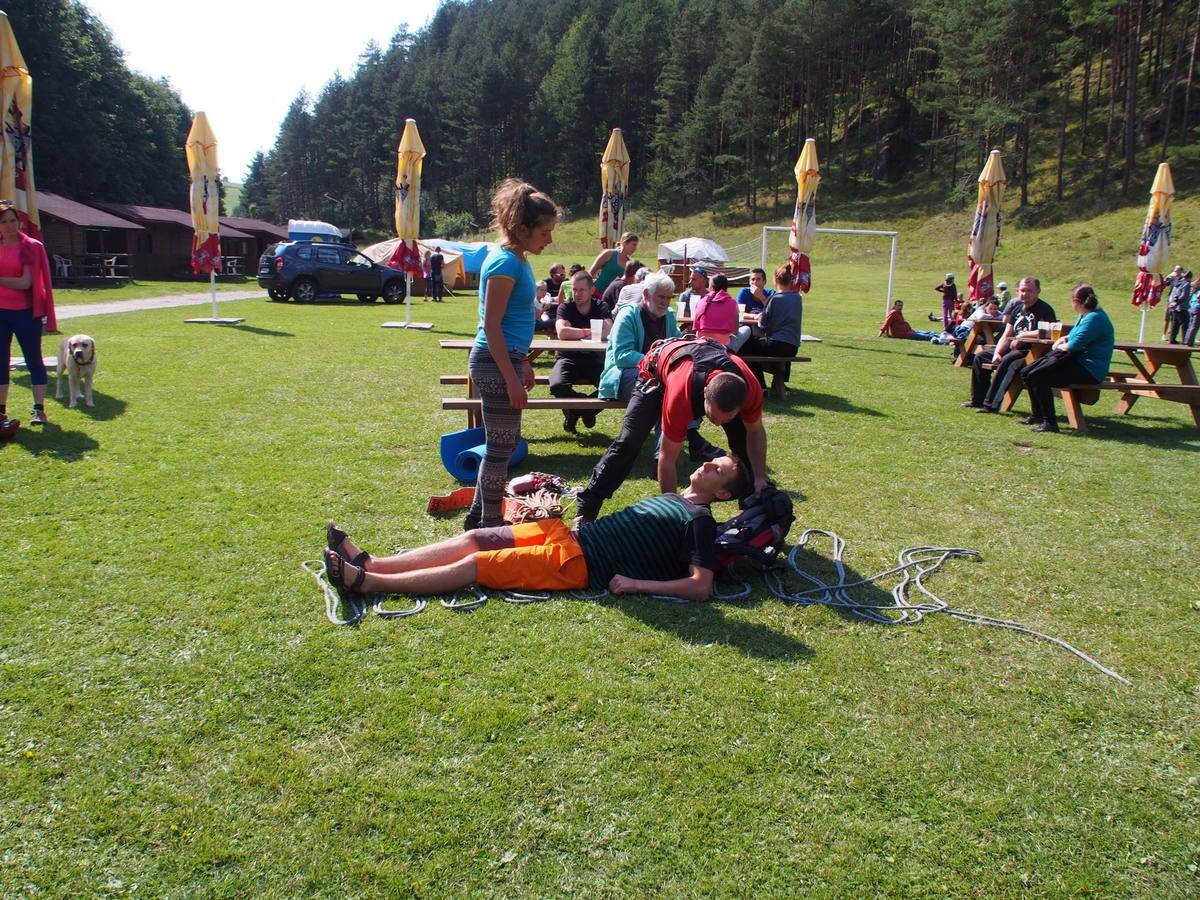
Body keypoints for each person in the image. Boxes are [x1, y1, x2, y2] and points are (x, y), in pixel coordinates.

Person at [324, 455, 747, 601]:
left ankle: (368, 583)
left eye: (719, 469)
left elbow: (701, 586)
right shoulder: (674, 496)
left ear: (723, 494)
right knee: (476, 538)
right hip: (567, 535)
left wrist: (636, 585)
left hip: (579, 563)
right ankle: (373, 563)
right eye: (714, 460)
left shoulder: (699, 521)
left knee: (476, 565)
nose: (709, 463)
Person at [574, 335, 770, 525]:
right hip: (656, 377)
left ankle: (755, 511)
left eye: (725, 418)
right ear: (704, 396)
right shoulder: (680, 396)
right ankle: (587, 509)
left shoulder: (750, 388)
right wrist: (674, 514)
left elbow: (755, 432)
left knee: (742, 443)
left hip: (702, 370)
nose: (717, 424)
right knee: (629, 442)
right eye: (713, 417)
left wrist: (760, 476)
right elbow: (667, 459)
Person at [464, 179, 559, 531]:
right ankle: (490, 525)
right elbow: (491, 327)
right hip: (493, 362)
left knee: (501, 445)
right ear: (522, 229)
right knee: (501, 447)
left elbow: (510, 324)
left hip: (505, 359)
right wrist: (511, 380)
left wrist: (523, 363)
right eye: (544, 232)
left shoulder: (517, 259)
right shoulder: (505, 264)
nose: (549, 240)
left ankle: (478, 517)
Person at [1022, 284, 1115, 433]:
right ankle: (1037, 415)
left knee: (1038, 376)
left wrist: (1059, 345)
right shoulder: (1085, 315)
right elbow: (1074, 335)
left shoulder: (1095, 318)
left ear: (1076, 301)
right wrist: (1063, 339)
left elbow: (1074, 345)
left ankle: (1049, 423)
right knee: (1027, 372)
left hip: (1090, 370)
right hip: (1077, 363)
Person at [0, 200, 56, 429]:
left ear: (19, 222)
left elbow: (25, 282)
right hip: (1, 312)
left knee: (34, 360)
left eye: (13, 220)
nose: (9, 226)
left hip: (25, 312)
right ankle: (1, 411)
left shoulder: (31, 246)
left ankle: (38, 409)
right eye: (4, 222)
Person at [965, 276, 1055, 414]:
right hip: (1012, 348)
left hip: (1031, 351)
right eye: (1022, 290)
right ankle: (978, 399)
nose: (1025, 294)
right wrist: (997, 353)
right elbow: (1007, 334)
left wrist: (1023, 336)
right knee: (980, 357)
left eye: (1029, 290)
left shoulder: (1044, 309)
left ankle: (991, 404)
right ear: (1017, 291)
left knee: (1008, 361)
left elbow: (1047, 332)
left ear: (1038, 291)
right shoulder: (1017, 308)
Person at [599, 270, 681, 402]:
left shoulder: (668, 317)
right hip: (622, 375)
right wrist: (656, 360)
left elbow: (678, 344)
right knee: (653, 385)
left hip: (657, 373)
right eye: (661, 297)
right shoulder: (628, 315)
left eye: (669, 298)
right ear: (646, 294)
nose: (665, 303)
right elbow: (622, 356)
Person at [552, 270, 612, 433]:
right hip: (567, 357)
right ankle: (584, 408)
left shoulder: (601, 306)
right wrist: (589, 331)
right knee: (557, 385)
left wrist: (575, 331)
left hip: (594, 358)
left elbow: (609, 331)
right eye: (574, 289)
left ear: (592, 290)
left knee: (612, 386)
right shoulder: (565, 307)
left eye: (582, 290)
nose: (577, 294)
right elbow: (562, 333)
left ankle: (578, 411)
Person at [737, 263, 803, 390]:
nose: (755, 282)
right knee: (762, 346)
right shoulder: (797, 298)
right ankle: (778, 383)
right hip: (793, 347)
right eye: (753, 279)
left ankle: (760, 385)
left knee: (745, 346)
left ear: (775, 280)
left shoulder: (774, 298)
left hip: (777, 344)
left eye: (758, 279)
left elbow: (762, 324)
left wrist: (761, 308)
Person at [693, 274, 737, 345]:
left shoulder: (701, 301)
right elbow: (735, 331)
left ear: (711, 287)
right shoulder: (732, 303)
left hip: (702, 343)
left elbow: (696, 327)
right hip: (723, 345)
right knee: (746, 329)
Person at [1165, 265, 1191, 344]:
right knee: (1185, 325)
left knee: (1175, 324)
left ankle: (1172, 340)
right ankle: (1185, 341)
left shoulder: (1178, 283)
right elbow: (1183, 296)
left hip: (1175, 307)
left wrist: (1174, 303)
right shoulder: (1186, 284)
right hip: (1181, 307)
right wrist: (1177, 303)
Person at [1186, 274, 1200, 346]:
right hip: (1198, 308)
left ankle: (1187, 341)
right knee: (1194, 326)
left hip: (1192, 306)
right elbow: (1198, 298)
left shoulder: (1195, 284)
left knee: (1190, 325)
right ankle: (1189, 342)